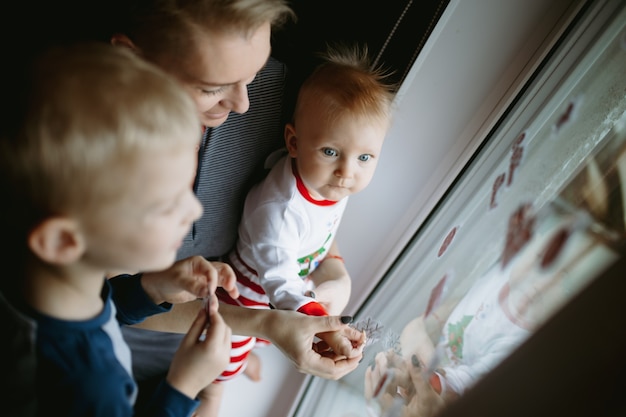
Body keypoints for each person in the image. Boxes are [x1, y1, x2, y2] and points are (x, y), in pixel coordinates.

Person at [98, 0, 368, 414]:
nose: (242, 103)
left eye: (254, 74)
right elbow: (113, 300)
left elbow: (287, 207)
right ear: (131, 57)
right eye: (212, 87)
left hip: (221, 323)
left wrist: (332, 269)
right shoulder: (90, 154)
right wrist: (258, 325)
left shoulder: (267, 96)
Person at [0, 42, 239, 417]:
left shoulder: (38, 280)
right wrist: (183, 387)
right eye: (166, 203)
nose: (194, 209)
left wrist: (149, 289)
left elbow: (99, 308)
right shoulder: (91, 386)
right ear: (62, 241)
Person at [210, 44, 394, 410]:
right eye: (330, 152)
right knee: (226, 351)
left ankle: (249, 353)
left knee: (263, 339)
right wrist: (322, 322)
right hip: (249, 286)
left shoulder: (327, 182)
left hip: (294, 282)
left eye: (364, 157)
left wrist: (336, 272)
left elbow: (321, 233)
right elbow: (278, 282)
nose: (347, 172)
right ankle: (212, 390)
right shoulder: (279, 209)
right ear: (293, 142)